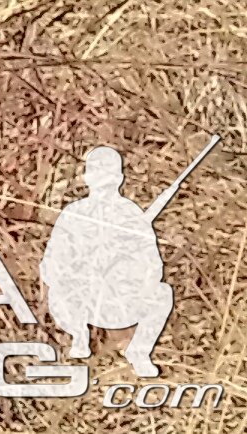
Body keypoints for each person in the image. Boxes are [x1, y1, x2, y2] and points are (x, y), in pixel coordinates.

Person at [40, 146, 175, 378]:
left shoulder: (129, 214)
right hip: (84, 303)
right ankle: (79, 336)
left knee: (162, 293)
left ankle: (138, 351)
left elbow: (152, 265)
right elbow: (51, 265)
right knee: (59, 290)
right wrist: (82, 272)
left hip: (117, 303)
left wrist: (125, 274)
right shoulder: (75, 214)